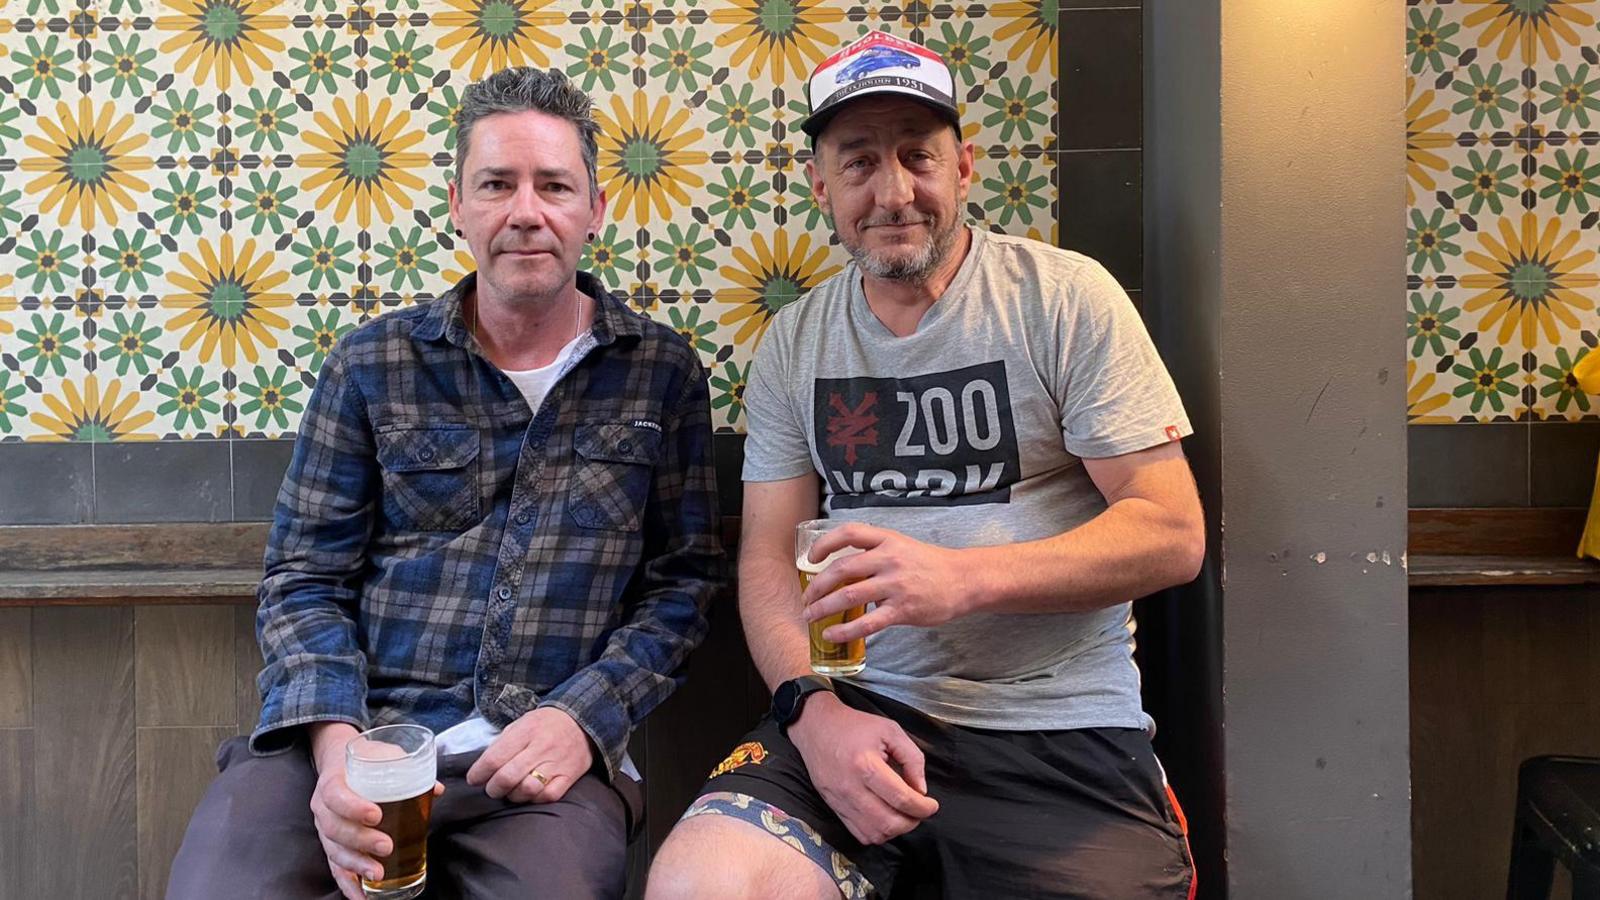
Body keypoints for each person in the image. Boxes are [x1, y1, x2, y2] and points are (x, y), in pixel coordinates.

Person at [647, 30, 1203, 900]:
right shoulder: (796, 342)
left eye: (919, 156)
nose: (894, 192)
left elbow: (1171, 532)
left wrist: (962, 578)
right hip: (856, 715)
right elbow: (765, 554)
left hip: (1057, 726)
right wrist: (814, 712)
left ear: (965, 167)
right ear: (821, 185)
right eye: (860, 162)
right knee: (700, 885)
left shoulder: (1064, 297)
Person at [168, 66, 724, 900]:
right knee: (220, 887)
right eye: (497, 184)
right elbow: (303, 578)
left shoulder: (661, 373)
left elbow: (684, 586)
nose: (526, 212)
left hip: (539, 763)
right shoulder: (370, 364)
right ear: (459, 205)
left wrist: (585, 715)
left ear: (595, 209)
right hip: (356, 733)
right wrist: (336, 747)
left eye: (555, 185)